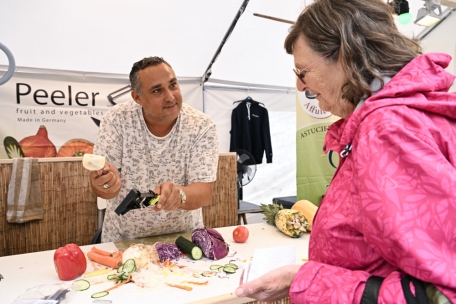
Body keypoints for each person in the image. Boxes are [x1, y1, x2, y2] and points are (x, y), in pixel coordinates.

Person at [235, 0, 456, 303]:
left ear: (345, 56)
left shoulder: (388, 130)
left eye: (303, 72)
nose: (301, 87)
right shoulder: (397, 118)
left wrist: (306, 282)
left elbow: (441, 293)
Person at [89, 56, 219, 243]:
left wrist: (179, 195)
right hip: (123, 241)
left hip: (182, 242)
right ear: (137, 98)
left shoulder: (202, 126)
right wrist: (104, 184)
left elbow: (204, 192)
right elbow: (105, 190)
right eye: (157, 90)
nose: (170, 97)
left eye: (173, 85)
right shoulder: (117, 120)